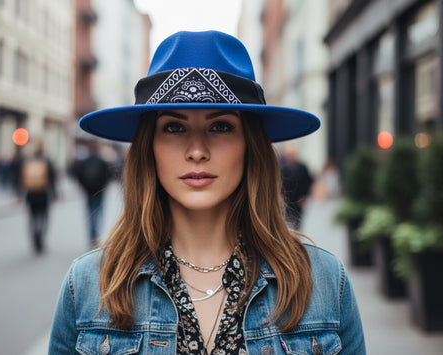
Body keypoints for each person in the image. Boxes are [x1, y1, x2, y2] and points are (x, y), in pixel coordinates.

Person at [49, 31, 365, 354]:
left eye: (220, 126)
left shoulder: (324, 284)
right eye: (174, 127)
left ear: (249, 145)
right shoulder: (88, 286)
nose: (197, 150)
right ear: (150, 147)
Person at [73, 141, 111, 247]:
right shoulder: (102, 161)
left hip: (88, 191)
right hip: (99, 192)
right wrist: (103, 187)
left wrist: (83, 187)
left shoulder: (84, 161)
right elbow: (108, 176)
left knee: (90, 214)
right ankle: (96, 236)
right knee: (98, 213)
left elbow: (78, 174)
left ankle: (91, 236)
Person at [21, 141, 56, 254]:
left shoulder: (28, 161)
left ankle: (34, 238)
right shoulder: (47, 161)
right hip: (43, 194)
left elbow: (21, 178)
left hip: (31, 194)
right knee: (44, 217)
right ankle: (40, 237)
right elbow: (53, 178)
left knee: (32, 218)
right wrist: (55, 193)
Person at [279, 142, 314, 230]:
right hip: (285, 200)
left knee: (297, 224)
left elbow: (309, 183)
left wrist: (306, 196)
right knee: (284, 222)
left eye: (293, 154)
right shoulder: (280, 167)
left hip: (298, 200)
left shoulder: (302, 168)